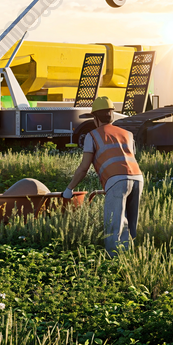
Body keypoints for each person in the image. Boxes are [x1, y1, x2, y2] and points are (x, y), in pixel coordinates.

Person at [63, 95, 142, 253]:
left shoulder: (92, 136)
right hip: (138, 178)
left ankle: (113, 262)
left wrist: (70, 188)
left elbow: (84, 167)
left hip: (117, 180)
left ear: (95, 118)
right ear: (111, 115)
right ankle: (130, 257)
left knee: (113, 227)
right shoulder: (128, 134)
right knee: (130, 225)